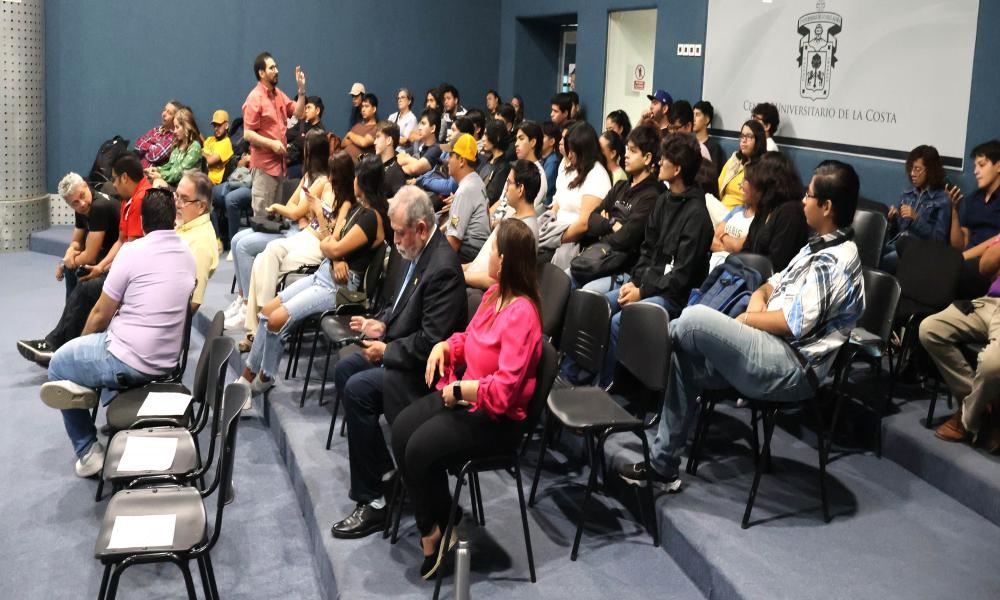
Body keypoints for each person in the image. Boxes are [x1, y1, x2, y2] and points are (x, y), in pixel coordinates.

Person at [618, 160, 864, 489]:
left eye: (809, 196)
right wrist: (759, 300)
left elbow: (791, 325)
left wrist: (748, 318)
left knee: (692, 319)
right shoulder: (816, 245)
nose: (803, 201)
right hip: (768, 344)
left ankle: (644, 355)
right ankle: (663, 466)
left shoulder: (835, 260)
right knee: (683, 360)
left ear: (827, 205)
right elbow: (770, 283)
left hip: (791, 365)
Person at [391, 219, 543, 578]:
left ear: (504, 261)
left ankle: (436, 533)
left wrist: (460, 390)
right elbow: (469, 338)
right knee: (401, 431)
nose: (487, 255)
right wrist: (446, 345)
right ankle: (440, 522)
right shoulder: (494, 296)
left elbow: (505, 392)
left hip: (497, 421)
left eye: (493, 250)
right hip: (469, 400)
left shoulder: (523, 314)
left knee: (418, 450)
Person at [329, 186, 466, 540]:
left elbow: (432, 343)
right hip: (403, 351)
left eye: (399, 232)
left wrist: (386, 350)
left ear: (421, 228)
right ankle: (389, 475)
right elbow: (400, 303)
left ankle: (372, 501)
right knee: (346, 370)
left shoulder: (443, 268)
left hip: (425, 375)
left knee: (359, 389)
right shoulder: (416, 251)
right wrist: (382, 325)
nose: (394, 239)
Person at [39, 189, 197, 477]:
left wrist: (82, 342)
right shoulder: (188, 254)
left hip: (130, 360)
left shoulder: (132, 252)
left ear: (142, 221)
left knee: (60, 364)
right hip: (168, 362)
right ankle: (107, 403)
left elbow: (100, 313)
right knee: (107, 340)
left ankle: (88, 451)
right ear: (174, 217)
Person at [237, 155, 390, 396]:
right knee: (267, 311)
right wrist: (335, 255)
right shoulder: (357, 209)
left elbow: (332, 245)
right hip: (326, 273)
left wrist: (335, 252)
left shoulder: (371, 218)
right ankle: (249, 379)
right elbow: (329, 241)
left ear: (361, 181)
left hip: (342, 288)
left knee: (276, 320)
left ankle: (260, 378)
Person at [583, 133, 712, 387]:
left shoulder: (697, 215)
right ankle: (589, 375)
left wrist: (642, 291)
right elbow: (647, 249)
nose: (659, 163)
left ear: (677, 169)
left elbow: (680, 276)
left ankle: (608, 388)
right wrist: (635, 282)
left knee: (622, 320)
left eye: (665, 160)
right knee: (602, 305)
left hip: (673, 296)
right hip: (647, 283)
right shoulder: (664, 200)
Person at [236, 132, 333, 334]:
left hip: (311, 238)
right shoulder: (308, 177)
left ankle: (262, 321)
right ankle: (256, 323)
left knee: (268, 257)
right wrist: (291, 210)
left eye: (306, 146)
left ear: (311, 151)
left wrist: (277, 208)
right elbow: (293, 206)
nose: (302, 150)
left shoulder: (322, 180)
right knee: (262, 259)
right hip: (302, 232)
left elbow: (294, 210)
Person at [920, 236, 1000, 453]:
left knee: (994, 363)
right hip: (991, 301)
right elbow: (985, 267)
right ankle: (983, 409)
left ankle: (966, 418)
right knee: (930, 329)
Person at [577, 124, 663, 292]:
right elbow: (591, 219)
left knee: (585, 294)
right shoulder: (620, 186)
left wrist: (603, 226)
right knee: (563, 279)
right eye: (626, 149)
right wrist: (612, 224)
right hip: (599, 256)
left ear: (647, 158)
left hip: (622, 267)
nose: (626, 155)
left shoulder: (652, 196)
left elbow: (627, 237)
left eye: (632, 151)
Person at [242, 51, 307, 217]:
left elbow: (299, 113)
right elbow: (248, 134)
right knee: (263, 219)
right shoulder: (255, 97)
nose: (277, 70)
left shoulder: (278, 94)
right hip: (264, 167)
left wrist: (301, 90)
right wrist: (271, 144)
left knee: (275, 220)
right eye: (272, 68)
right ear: (261, 73)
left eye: (276, 67)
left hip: (279, 167)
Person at [466, 160, 540, 289]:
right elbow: (483, 261)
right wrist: (462, 268)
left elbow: (496, 281)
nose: (505, 188)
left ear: (520, 189)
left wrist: (461, 275)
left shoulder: (522, 232)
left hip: (480, 293)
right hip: (472, 280)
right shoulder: (515, 216)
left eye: (509, 183)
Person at [548, 122, 612, 269]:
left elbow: (584, 224)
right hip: (558, 231)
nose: (569, 155)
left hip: (574, 242)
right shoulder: (570, 170)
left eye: (573, 151)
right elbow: (558, 204)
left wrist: (555, 239)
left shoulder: (597, 175)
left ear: (584, 151)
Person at [881, 145, 951, 272]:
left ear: (930, 170)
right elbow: (897, 234)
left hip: (920, 252)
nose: (912, 173)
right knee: (869, 251)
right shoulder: (907, 194)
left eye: (917, 169)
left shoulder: (942, 200)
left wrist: (916, 218)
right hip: (897, 245)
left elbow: (939, 242)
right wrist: (892, 220)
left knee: (881, 262)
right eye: (911, 169)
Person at [741, 152, 810, 272]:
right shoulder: (766, 207)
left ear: (769, 180)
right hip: (750, 275)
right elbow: (747, 248)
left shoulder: (791, 213)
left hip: (769, 285)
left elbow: (777, 265)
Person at [56, 172, 120, 298]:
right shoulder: (82, 208)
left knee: (76, 270)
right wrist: (69, 253)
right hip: (105, 252)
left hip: (119, 254)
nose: (82, 204)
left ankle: (75, 315)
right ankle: (72, 313)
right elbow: (76, 242)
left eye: (82, 196)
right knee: (72, 269)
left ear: (85, 185)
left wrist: (65, 264)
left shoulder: (98, 207)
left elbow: (90, 257)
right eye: (75, 203)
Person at [174, 171, 220, 312]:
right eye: (176, 196)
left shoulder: (200, 244)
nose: (177, 204)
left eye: (184, 199)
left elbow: (193, 303)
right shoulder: (186, 224)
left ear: (201, 207)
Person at [443, 134, 491, 262]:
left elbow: (453, 243)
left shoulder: (465, 191)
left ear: (461, 161)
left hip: (467, 256)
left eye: (450, 155)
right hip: (476, 253)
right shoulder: (476, 180)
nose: (447, 160)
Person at [948, 140, 1000, 254]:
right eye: (975, 166)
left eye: (981, 165)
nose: (975, 171)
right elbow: (959, 246)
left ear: (998, 166)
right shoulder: (972, 200)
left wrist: (965, 257)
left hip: (989, 263)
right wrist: (954, 210)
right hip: (966, 260)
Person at [146, 109, 203, 188]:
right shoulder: (177, 146)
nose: (174, 131)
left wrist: (160, 175)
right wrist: (155, 170)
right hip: (174, 185)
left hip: (188, 188)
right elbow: (169, 166)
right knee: (146, 180)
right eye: (174, 127)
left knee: (157, 182)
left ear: (186, 127)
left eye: (177, 127)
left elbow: (181, 172)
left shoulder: (195, 147)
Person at [718, 119, 767, 209]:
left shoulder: (763, 167)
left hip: (740, 215)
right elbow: (718, 186)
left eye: (749, 136)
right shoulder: (735, 159)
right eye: (742, 136)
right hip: (721, 208)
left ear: (758, 140)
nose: (743, 140)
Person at [286, 95, 325, 178]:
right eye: (305, 108)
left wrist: (298, 139)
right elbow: (287, 135)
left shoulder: (320, 132)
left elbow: (305, 146)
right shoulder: (302, 124)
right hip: (291, 159)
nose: (306, 110)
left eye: (309, 108)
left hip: (306, 168)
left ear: (317, 111)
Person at [398, 108, 443, 177]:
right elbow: (398, 158)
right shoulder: (419, 146)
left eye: (423, 124)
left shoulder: (437, 148)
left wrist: (408, 159)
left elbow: (414, 169)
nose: (419, 127)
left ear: (433, 128)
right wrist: (415, 161)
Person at [134, 100, 179, 168]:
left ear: (175, 119)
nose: (164, 114)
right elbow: (137, 144)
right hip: (137, 166)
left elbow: (155, 156)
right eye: (164, 110)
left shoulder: (173, 136)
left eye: (169, 113)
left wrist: (144, 149)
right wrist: (151, 147)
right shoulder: (156, 129)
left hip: (149, 173)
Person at [477, 120, 512, 204]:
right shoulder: (488, 159)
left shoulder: (503, 167)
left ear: (497, 137)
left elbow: (491, 197)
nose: (483, 139)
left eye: (486, 135)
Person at [343, 93, 378, 164]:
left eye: (366, 106)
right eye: (362, 106)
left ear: (374, 109)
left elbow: (363, 142)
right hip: (343, 162)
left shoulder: (377, 127)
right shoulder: (357, 125)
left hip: (358, 166)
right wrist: (357, 140)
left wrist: (350, 134)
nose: (363, 109)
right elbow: (343, 143)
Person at [203, 110, 235, 186]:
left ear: (226, 125)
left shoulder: (226, 143)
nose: (216, 128)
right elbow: (198, 155)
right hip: (201, 175)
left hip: (211, 182)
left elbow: (208, 161)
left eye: (219, 125)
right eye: (214, 125)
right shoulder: (210, 139)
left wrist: (203, 154)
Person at [694, 100, 726, 178]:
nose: (693, 119)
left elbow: (713, 175)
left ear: (706, 120)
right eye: (693, 115)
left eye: (697, 115)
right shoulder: (688, 142)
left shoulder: (714, 148)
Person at [375, 121, 406, 197]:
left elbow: (401, 203)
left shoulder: (396, 172)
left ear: (388, 140)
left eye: (378, 137)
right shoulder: (376, 168)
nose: (374, 142)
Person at [540, 121, 560, 206]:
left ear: (552, 141)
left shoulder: (553, 161)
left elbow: (542, 189)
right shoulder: (540, 157)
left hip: (545, 206)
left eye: (542, 137)